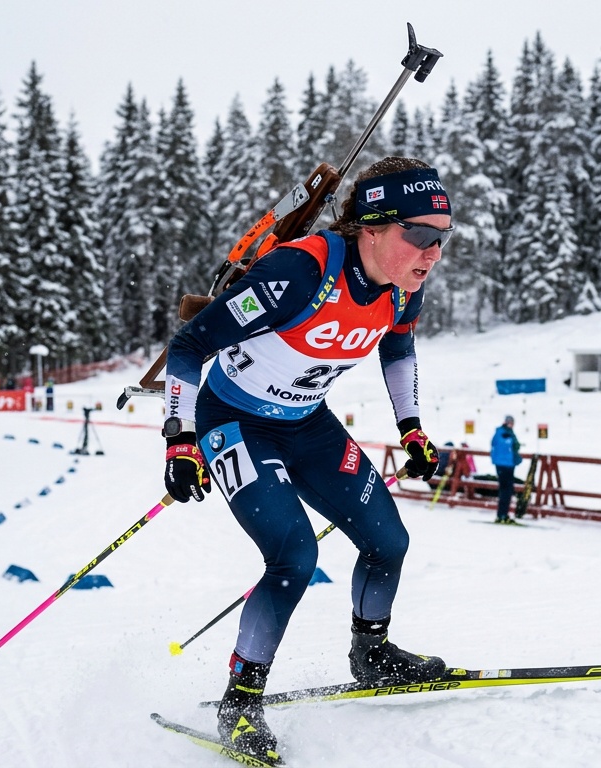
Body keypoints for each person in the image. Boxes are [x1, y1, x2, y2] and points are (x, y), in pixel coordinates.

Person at [160, 156, 454, 762]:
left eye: (442, 239)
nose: (432, 253)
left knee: (387, 540)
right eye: (420, 236)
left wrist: (412, 429)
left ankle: (371, 654)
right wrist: (180, 438)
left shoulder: (401, 291)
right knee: (294, 554)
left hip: (306, 423)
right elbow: (190, 345)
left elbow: (397, 350)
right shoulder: (301, 272)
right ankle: (239, 705)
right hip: (235, 421)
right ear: (371, 228)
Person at [490, 415, 522, 523]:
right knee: (507, 491)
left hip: (500, 465)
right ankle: (503, 514)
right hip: (508, 465)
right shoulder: (509, 434)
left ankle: (501, 514)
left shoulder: (498, 433)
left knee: (504, 490)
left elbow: (493, 444)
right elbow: (515, 446)